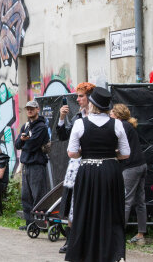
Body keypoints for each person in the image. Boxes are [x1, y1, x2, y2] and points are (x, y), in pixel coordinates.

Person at [65, 87, 130, 262]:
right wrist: (109, 154)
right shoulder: (117, 124)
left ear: (92, 104)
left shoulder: (80, 123)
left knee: (84, 210)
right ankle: (114, 254)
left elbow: (71, 153)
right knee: (112, 211)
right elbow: (125, 154)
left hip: (88, 171)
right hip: (110, 171)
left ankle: (84, 254)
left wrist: (85, 152)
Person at [56, 82, 95, 253]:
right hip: (76, 165)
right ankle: (71, 240)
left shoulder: (100, 116)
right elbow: (64, 135)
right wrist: (62, 118)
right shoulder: (78, 117)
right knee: (72, 202)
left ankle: (89, 240)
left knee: (88, 203)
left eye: (81, 96)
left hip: (93, 165)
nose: (78, 99)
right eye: (77, 96)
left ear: (90, 98)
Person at [111, 103, 147, 245]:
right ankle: (141, 234)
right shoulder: (129, 125)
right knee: (140, 201)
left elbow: (120, 148)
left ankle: (119, 234)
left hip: (131, 167)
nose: (110, 114)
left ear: (118, 115)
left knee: (125, 200)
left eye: (113, 112)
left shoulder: (121, 126)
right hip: (141, 165)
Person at [15, 100, 49, 230]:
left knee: (38, 196)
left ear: (37, 109)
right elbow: (18, 144)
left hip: (37, 164)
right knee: (26, 196)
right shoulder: (26, 126)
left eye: (32, 109)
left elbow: (32, 145)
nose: (29, 111)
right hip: (26, 165)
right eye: (28, 109)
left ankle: (40, 224)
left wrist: (25, 141)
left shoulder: (42, 127)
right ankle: (30, 224)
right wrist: (23, 140)